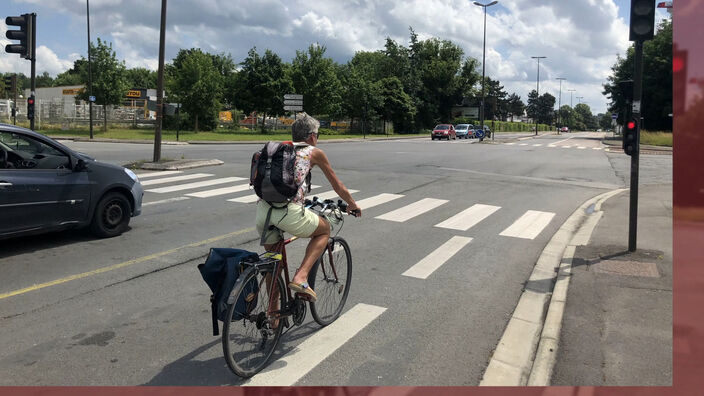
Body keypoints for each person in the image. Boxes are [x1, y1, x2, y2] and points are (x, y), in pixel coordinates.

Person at [255, 113, 361, 302]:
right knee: (324, 230)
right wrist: (353, 205)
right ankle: (301, 276)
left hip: (263, 213)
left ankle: (272, 315)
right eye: (318, 135)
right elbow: (338, 185)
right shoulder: (313, 152)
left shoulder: (278, 149)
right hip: (289, 213)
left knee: (274, 264)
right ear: (312, 136)